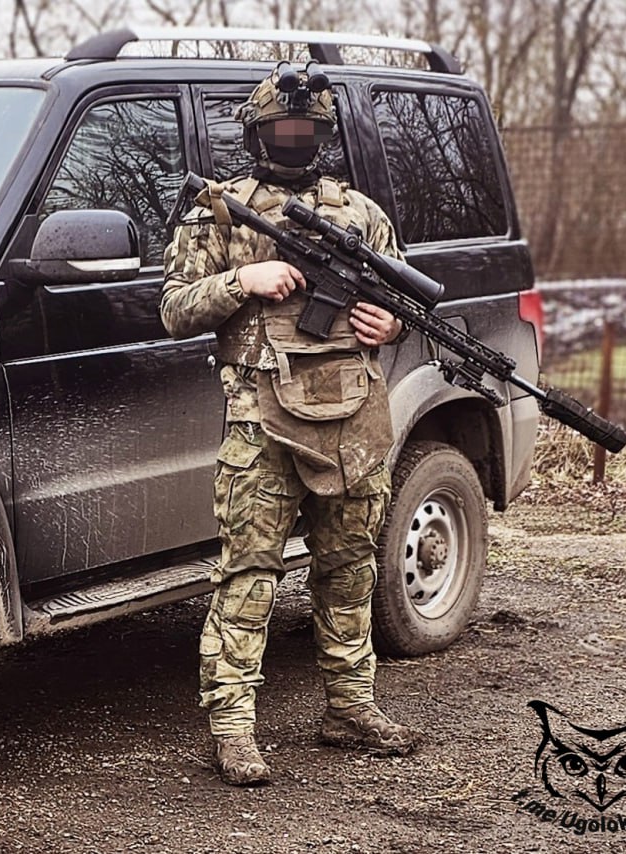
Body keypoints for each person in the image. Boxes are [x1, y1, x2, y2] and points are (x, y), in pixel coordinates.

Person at [161, 61, 423, 787]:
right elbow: (174, 308)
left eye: (307, 131)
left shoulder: (362, 214)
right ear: (258, 133)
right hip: (260, 418)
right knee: (248, 576)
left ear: (325, 136)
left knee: (350, 568)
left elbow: (399, 302)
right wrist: (240, 281)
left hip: (351, 413)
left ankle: (351, 708)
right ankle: (234, 728)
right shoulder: (217, 212)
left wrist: (386, 322)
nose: (295, 141)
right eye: (283, 129)